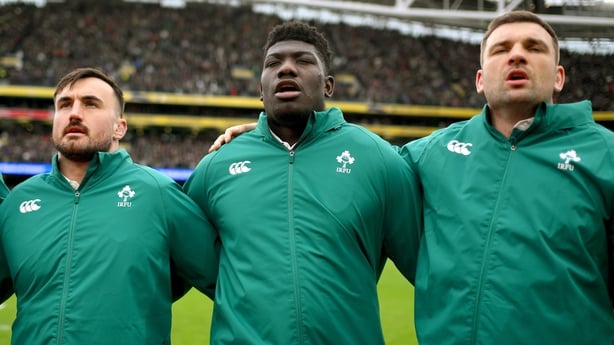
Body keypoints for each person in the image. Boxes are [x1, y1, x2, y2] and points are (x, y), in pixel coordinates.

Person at [211, 11, 614, 344]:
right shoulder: (432, 153)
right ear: (479, 79)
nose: (517, 56)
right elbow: (328, 157)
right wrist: (267, 137)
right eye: (502, 49)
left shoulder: (605, 156)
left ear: (559, 76)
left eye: (534, 48)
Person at [184, 21, 422, 344]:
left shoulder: (377, 158)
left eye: (303, 60)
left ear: (328, 85)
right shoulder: (216, 167)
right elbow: (183, 262)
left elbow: (429, 267)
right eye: (273, 63)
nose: (286, 69)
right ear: (260, 88)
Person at [0, 67, 219, 344]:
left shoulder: (158, 194)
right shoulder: (18, 203)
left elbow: (232, 283)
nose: (75, 113)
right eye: (65, 104)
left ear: (120, 127)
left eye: (91, 104)